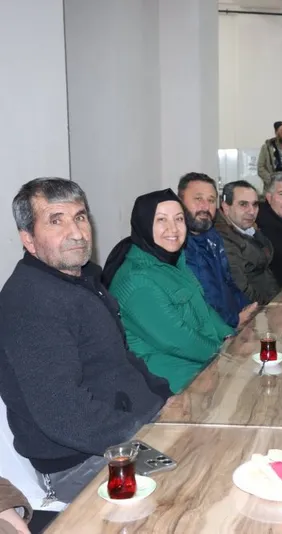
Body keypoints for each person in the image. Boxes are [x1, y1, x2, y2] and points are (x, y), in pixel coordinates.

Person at [0, 178, 172, 504]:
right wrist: (147, 430)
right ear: (29, 239)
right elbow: (66, 416)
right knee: (195, 482)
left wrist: (165, 397)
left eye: (79, 217)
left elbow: (121, 358)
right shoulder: (30, 303)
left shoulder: (84, 279)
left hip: (126, 430)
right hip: (81, 462)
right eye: (56, 221)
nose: (77, 233)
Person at [104, 189, 235, 393]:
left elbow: (204, 308)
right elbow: (179, 340)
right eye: (161, 220)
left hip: (200, 360)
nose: (173, 228)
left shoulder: (174, 261)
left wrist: (230, 336)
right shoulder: (137, 280)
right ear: (145, 224)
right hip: (168, 378)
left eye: (179, 219)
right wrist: (226, 354)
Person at [177, 172, 254, 328]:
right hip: (212, 332)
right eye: (198, 199)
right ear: (180, 202)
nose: (205, 207)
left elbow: (228, 282)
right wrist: (234, 322)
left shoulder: (212, 235)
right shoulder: (177, 246)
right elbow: (201, 304)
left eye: (211, 200)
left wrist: (249, 309)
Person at [216, 180, 281, 304]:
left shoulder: (247, 228)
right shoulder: (224, 239)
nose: (251, 211)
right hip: (258, 309)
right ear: (226, 207)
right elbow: (242, 291)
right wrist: (273, 306)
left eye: (255, 205)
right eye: (243, 204)